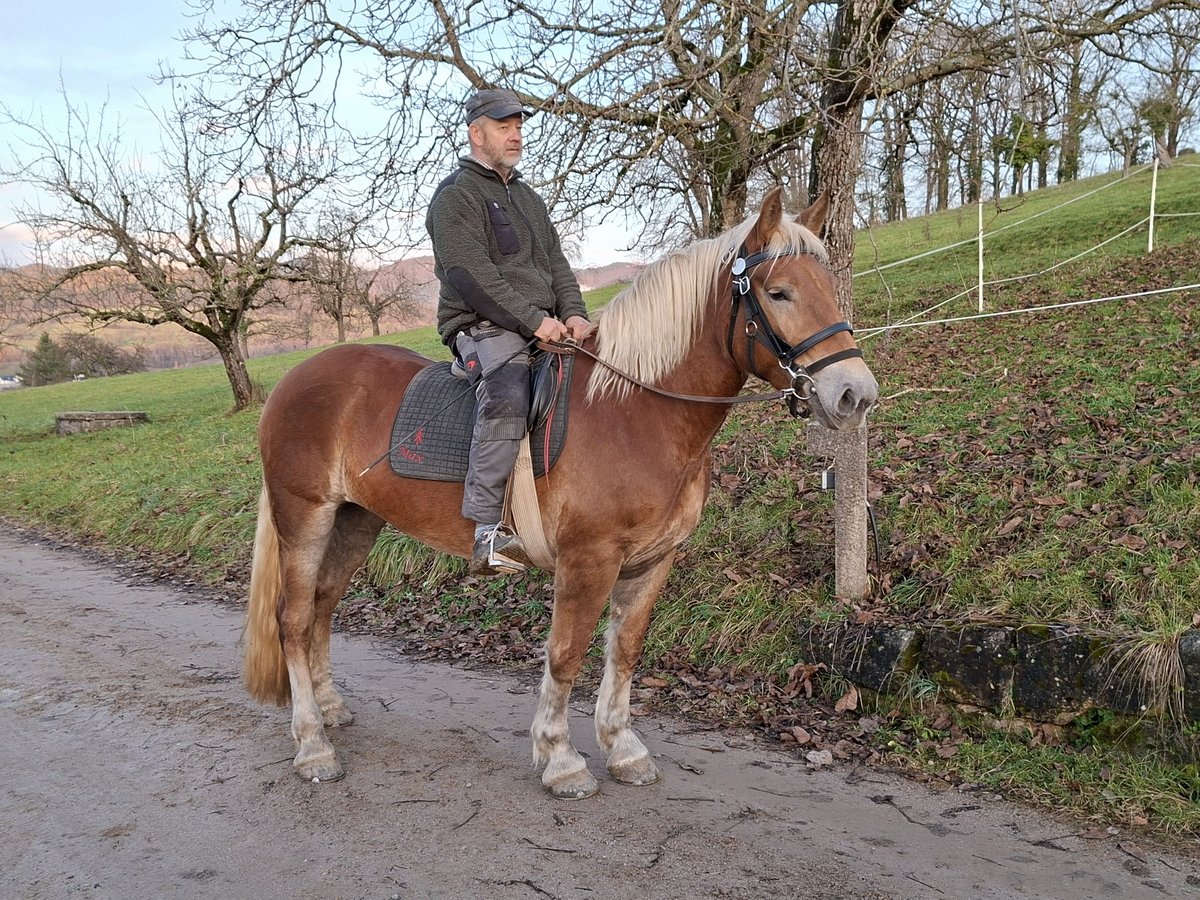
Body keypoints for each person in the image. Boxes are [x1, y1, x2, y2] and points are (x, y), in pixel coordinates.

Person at [426, 87, 593, 576]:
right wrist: (534, 321)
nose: (516, 134)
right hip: (482, 325)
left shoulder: (528, 197)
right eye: (505, 126)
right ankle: (486, 531)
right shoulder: (456, 196)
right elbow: (471, 275)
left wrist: (576, 312)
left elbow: (556, 264)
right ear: (477, 133)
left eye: (519, 125)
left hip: (543, 323)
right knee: (508, 387)